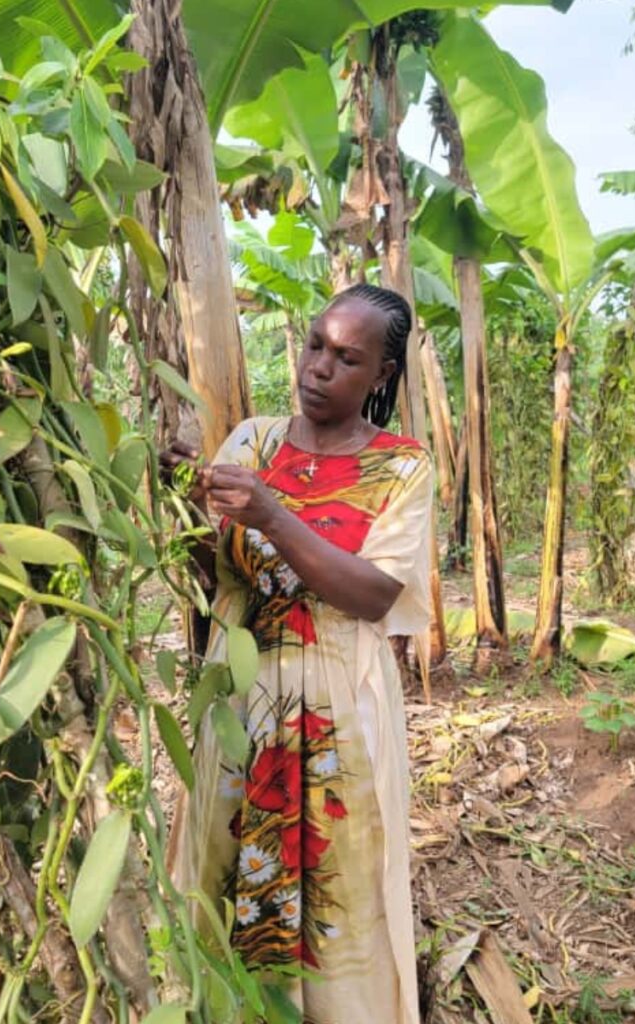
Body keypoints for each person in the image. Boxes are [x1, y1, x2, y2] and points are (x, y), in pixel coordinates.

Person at [164, 284, 432, 1024]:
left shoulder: (403, 467)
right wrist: (189, 508)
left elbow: (374, 596)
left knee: (339, 881)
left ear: (380, 376)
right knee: (223, 863)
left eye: (347, 359)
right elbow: (218, 577)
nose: (318, 368)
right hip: (240, 696)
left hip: (339, 703)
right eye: (316, 345)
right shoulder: (252, 442)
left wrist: (273, 514)